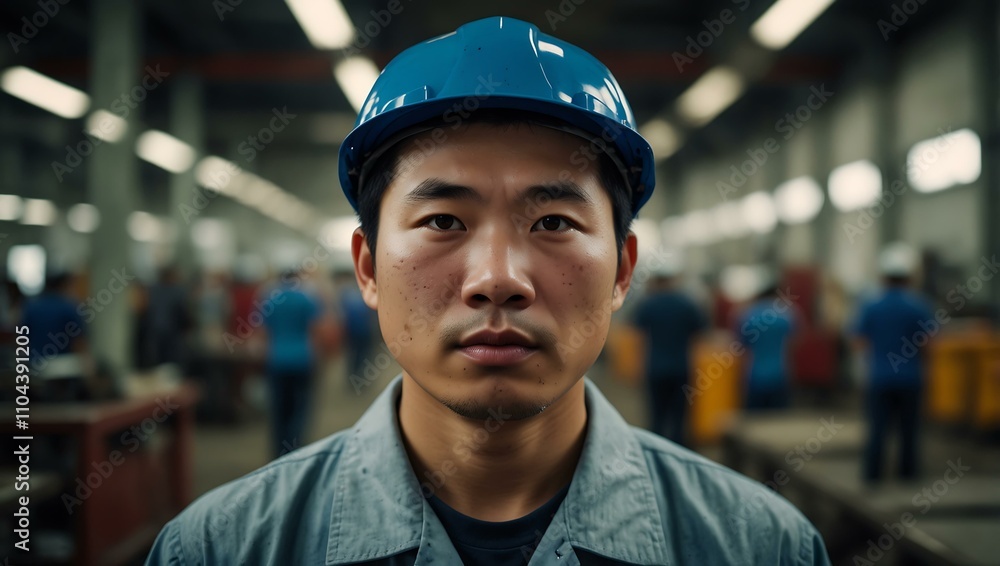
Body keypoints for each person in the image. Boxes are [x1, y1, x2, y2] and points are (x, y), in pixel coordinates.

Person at [147, 17, 830, 565]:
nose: (498, 278)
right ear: (367, 268)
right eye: (443, 221)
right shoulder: (220, 548)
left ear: (623, 270)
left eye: (555, 222)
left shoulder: (761, 545)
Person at [852, 242, 932, 482]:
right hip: (910, 378)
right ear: (909, 277)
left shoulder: (871, 305)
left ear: (883, 276)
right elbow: (929, 343)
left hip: (879, 377)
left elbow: (858, 341)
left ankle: (873, 477)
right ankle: (907, 477)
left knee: (877, 429)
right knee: (909, 431)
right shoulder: (919, 305)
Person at [630, 258, 705, 445]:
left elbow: (637, 333)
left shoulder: (649, 304)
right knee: (680, 416)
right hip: (681, 368)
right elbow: (700, 332)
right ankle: (679, 453)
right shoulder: (687, 303)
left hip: (655, 368)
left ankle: (655, 454)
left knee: (657, 416)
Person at [260, 266, 322, 458]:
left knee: (279, 408)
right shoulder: (306, 299)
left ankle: (278, 452)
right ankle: (294, 450)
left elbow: (264, 331)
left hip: (276, 359)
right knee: (300, 408)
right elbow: (316, 329)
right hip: (302, 358)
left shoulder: (271, 299)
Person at [737, 273, 797, 411]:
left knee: (755, 419)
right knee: (778, 421)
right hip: (780, 374)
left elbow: (740, 345)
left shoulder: (747, 315)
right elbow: (794, 341)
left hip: (754, 376)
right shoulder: (788, 314)